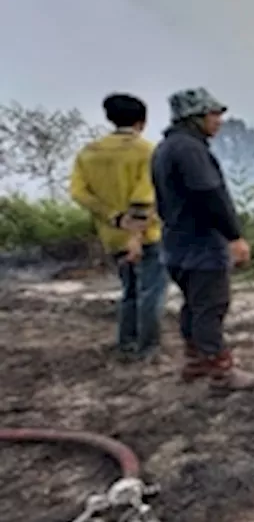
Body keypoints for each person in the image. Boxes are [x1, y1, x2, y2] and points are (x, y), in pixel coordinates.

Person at [151, 88, 254, 390]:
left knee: (195, 305)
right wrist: (234, 237)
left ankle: (195, 362)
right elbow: (209, 195)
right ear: (194, 117)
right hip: (201, 246)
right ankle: (221, 371)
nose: (219, 121)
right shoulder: (190, 150)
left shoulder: (167, 148)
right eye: (213, 114)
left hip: (177, 245)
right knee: (211, 306)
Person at [69, 93, 166, 360]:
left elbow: (79, 192)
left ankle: (126, 343)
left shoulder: (89, 152)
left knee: (129, 291)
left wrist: (113, 217)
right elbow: (143, 198)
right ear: (141, 121)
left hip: (111, 236)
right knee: (151, 291)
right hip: (146, 234)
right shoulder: (147, 150)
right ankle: (148, 349)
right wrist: (135, 234)